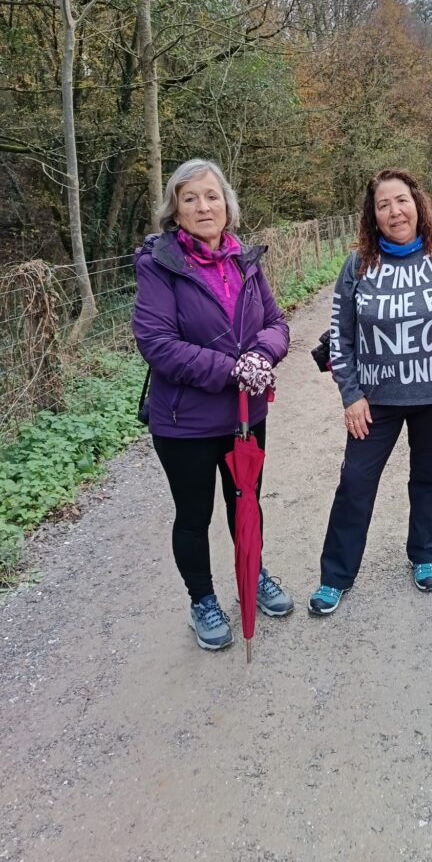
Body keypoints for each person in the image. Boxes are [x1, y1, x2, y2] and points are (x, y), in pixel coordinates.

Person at [133, 159, 293, 651]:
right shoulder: (159, 265)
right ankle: (202, 599)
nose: (203, 206)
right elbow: (157, 342)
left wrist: (261, 355)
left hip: (246, 416)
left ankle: (251, 571)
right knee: (193, 514)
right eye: (190, 198)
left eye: (211, 196)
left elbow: (276, 323)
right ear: (175, 210)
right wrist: (232, 370)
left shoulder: (245, 259)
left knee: (246, 502)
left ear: (227, 204)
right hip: (185, 421)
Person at [308, 168, 432, 615]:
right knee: (355, 482)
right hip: (374, 401)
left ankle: (423, 555)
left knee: (428, 477)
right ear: (373, 215)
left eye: (401, 200)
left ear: (417, 205)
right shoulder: (358, 266)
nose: (394, 211)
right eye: (383, 205)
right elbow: (341, 336)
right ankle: (335, 576)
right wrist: (350, 395)